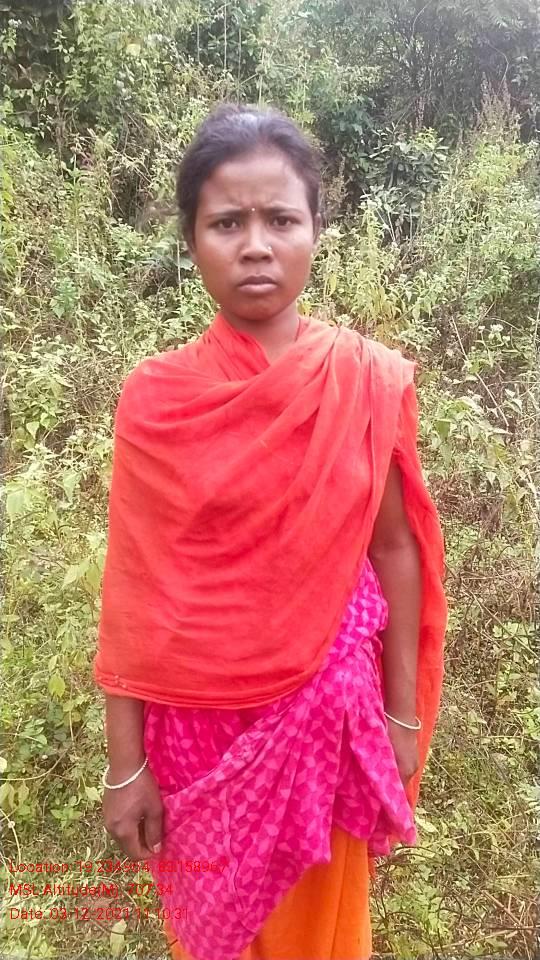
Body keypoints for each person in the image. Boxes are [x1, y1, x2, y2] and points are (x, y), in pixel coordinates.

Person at [94, 102, 447, 960]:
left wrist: (401, 717)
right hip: (196, 736)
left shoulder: (362, 380)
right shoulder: (158, 400)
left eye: (281, 219)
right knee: (216, 935)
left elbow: (393, 548)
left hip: (327, 728)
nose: (256, 245)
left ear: (316, 231)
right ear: (192, 241)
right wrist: (126, 764)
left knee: (322, 938)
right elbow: (136, 587)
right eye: (227, 223)